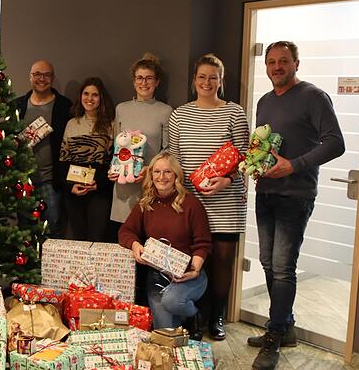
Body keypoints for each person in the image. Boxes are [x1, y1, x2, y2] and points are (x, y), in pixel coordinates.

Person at [247, 41, 344, 370]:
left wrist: (295, 165)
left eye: (283, 61)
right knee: (267, 262)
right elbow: (266, 146)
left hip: (296, 194)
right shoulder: (263, 102)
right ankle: (284, 327)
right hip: (266, 192)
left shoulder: (313, 97)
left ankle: (274, 336)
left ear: (296, 63)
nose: (277, 67)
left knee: (283, 266)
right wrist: (257, 167)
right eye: (271, 61)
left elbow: (336, 143)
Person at [167, 53, 249, 340]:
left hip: (226, 203)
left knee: (222, 262)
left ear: (221, 81)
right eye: (201, 76)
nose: (206, 82)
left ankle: (217, 316)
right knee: (192, 262)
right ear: (194, 81)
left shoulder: (234, 113)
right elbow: (174, 159)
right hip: (191, 203)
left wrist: (227, 180)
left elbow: (245, 157)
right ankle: (194, 315)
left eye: (212, 77)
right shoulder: (179, 115)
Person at [118, 152, 212, 329]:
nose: (162, 177)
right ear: (151, 175)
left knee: (171, 301)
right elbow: (126, 231)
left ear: (176, 175)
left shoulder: (192, 204)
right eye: (157, 172)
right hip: (157, 275)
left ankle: (195, 315)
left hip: (187, 274)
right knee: (164, 332)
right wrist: (135, 245)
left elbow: (203, 244)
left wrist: (195, 270)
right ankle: (181, 323)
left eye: (167, 172)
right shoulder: (146, 203)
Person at [109, 53, 173, 229]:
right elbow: (117, 146)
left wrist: (150, 170)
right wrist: (113, 169)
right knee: (123, 240)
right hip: (124, 186)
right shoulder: (121, 109)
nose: (144, 83)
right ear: (133, 81)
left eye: (149, 78)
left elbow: (167, 149)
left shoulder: (165, 111)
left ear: (157, 82)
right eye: (139, 78)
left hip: (151, 184)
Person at [13, 60, 73, 237]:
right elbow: (7, 140)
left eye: (46, 75)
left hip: (51, 179)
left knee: (54, 226)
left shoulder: (64, 106)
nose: (42, 79)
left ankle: (49, 265)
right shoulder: (17, 105)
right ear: (30, 77)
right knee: (25, 228)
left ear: (53, 78)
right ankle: (28, 265)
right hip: (24, 178)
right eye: (37, 74)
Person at [58, 77, 115, 241]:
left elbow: (113, 161)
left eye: (95, 95)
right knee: (79, 240)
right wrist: (71, 186)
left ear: (101, 98)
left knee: (97, 240)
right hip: (74, 192)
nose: (89, 99)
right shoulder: (71, 124)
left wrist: (99, 183)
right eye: (86, 93)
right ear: (80, 96)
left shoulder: (111, 125)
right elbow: (63, 161)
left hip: (99, 191)